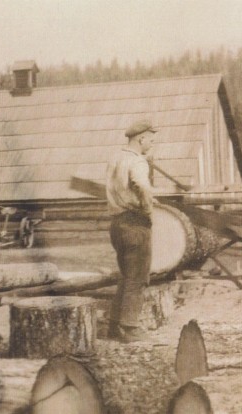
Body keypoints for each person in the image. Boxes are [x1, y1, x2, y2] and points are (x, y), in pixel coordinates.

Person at [106, 119, 157, 343]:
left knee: (126, 276)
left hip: (117, 223)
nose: (151, 144)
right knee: (137, 278)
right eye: (150, 140)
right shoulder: (137, 161)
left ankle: (114, 326)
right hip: (135, 223)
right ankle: (129, 328)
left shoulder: (116, 158)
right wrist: (148, 209)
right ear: (141, 138)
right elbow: (142, 186)